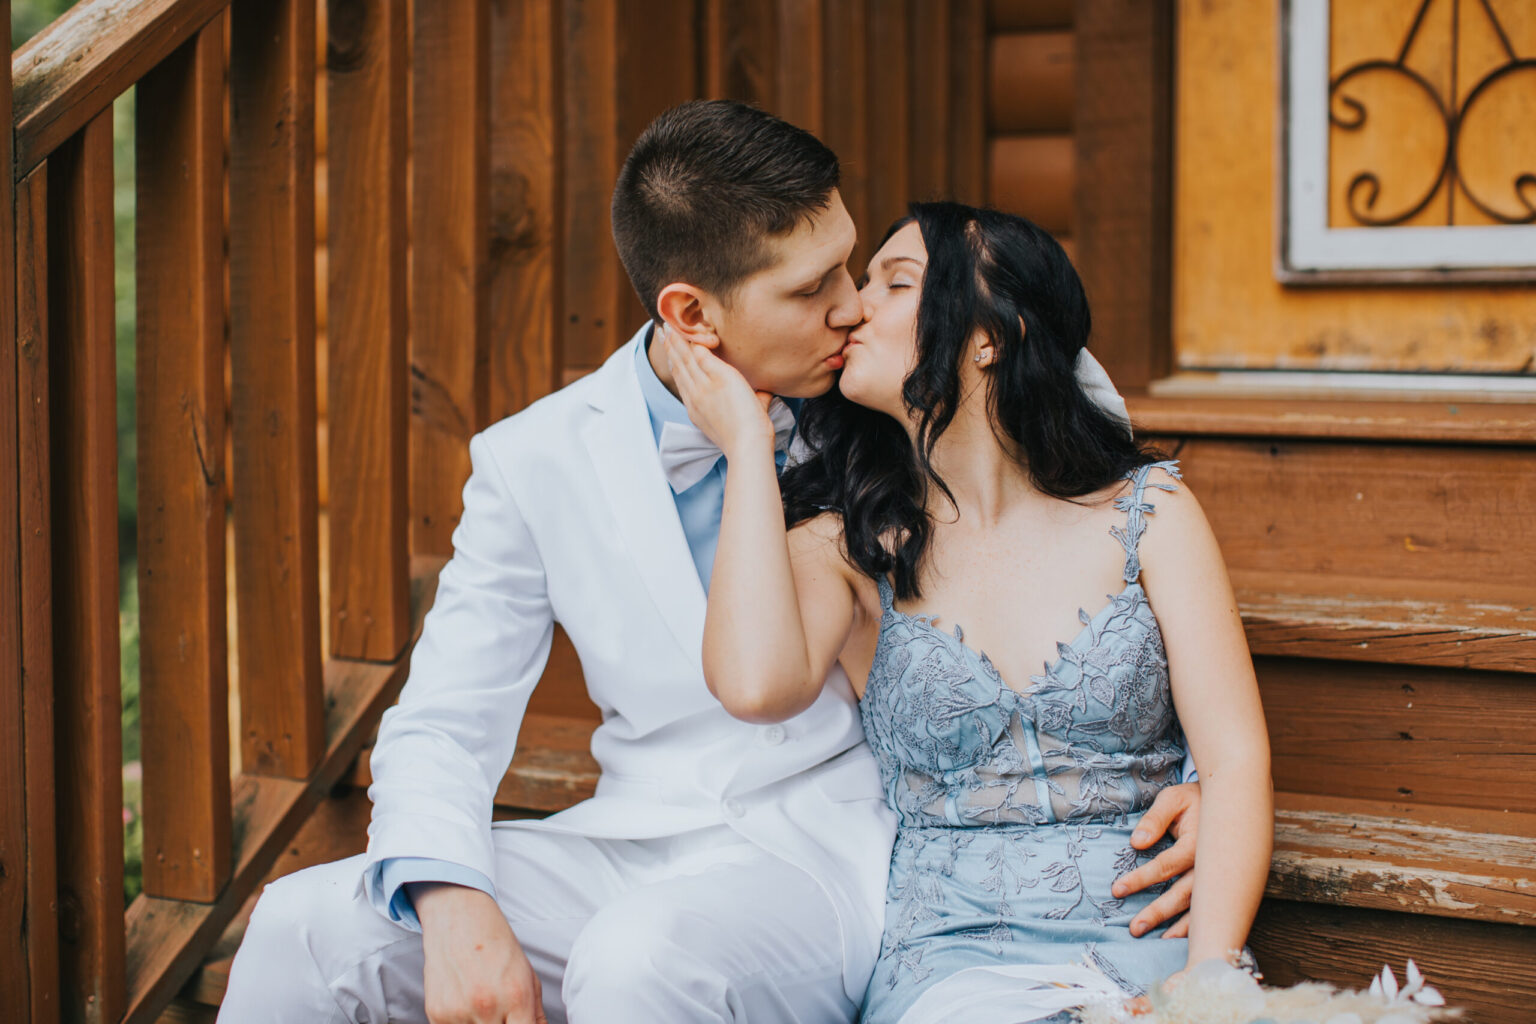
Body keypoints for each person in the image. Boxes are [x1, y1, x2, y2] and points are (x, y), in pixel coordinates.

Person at [218, 102, 1205, 1024]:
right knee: (305, 925)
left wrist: (1193, 772)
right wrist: (450, 898)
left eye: (853, 265)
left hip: (833, 856)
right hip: (634, 836)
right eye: (813, 288)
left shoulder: (895, 382)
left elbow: (1082, 493)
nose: (855, 306)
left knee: (641, 956)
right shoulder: (536, 459)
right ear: (692, 315)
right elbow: (442, 719)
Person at [663, 201, 1272, 1023]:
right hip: (953, 960)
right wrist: (745, 442)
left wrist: (1209, 984)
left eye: (894, 281)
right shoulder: (846, 548)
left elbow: (1233, 760)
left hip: (1156, 942)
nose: (854, 307)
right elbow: (753, 686)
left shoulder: (1148, 514)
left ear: (989, 336)